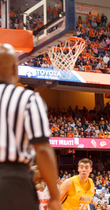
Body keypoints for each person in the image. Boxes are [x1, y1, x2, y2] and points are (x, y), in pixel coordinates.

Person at [0, 43, 61, 210]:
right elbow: (42, 149)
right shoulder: (27, 98)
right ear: (15, 70)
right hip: (13, 184)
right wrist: (54, 197)